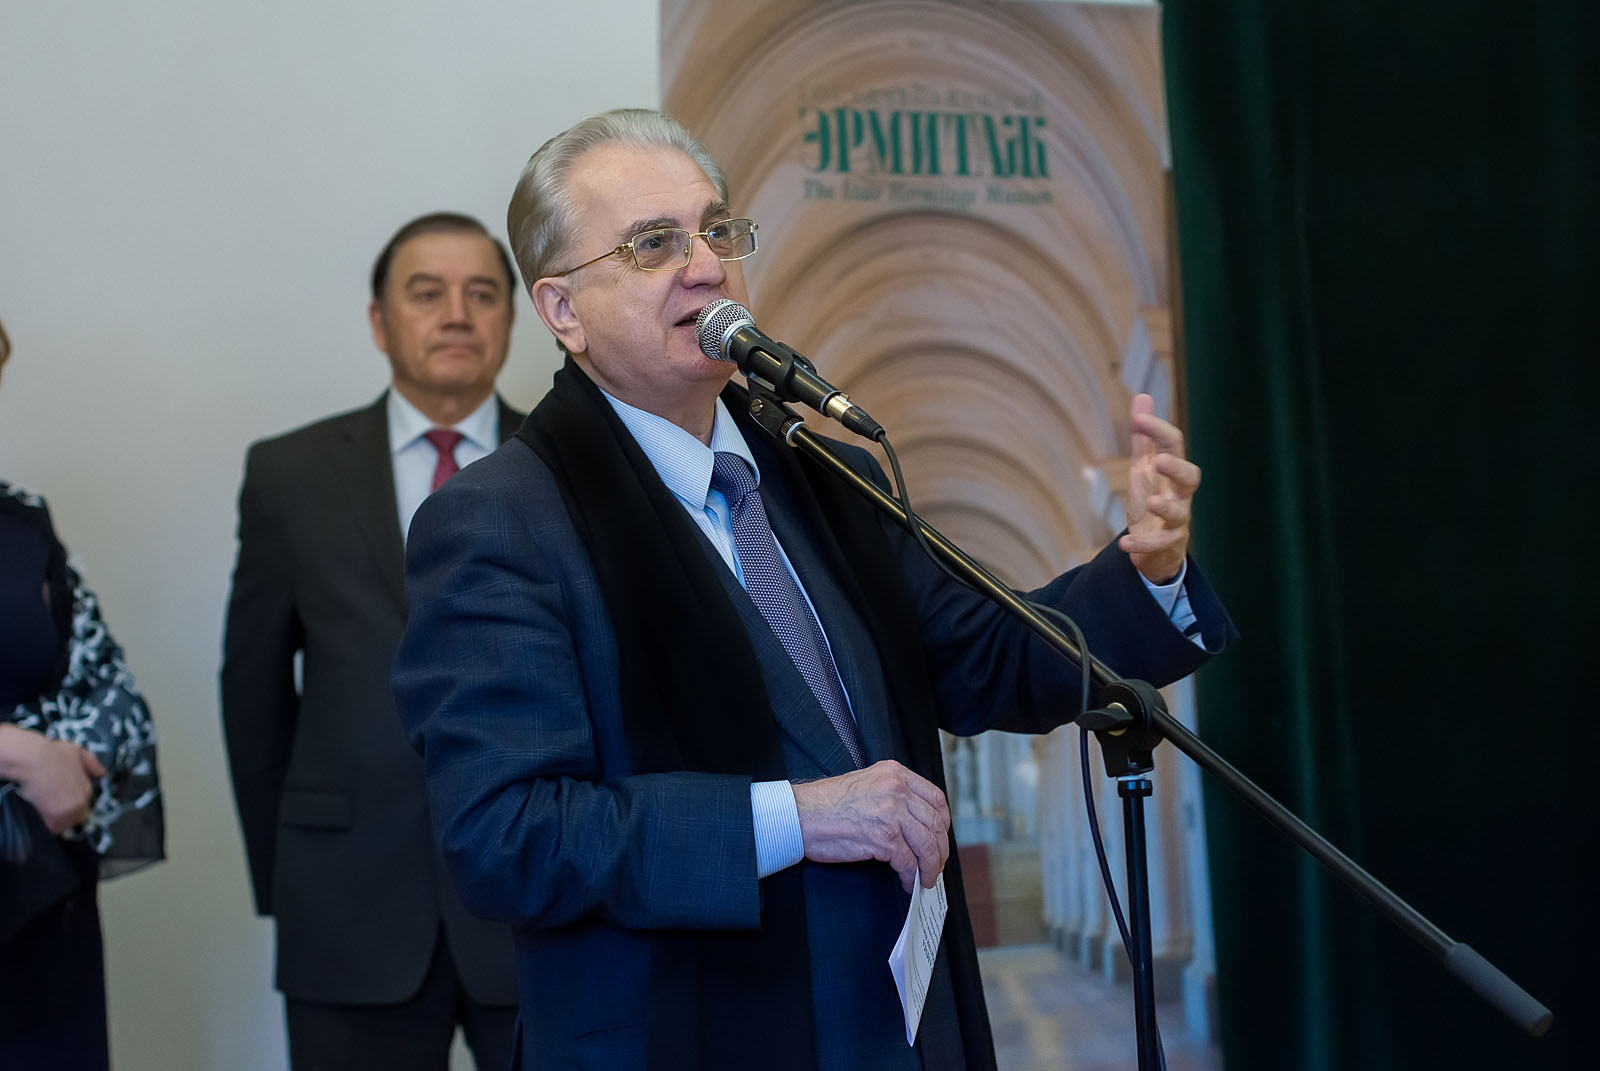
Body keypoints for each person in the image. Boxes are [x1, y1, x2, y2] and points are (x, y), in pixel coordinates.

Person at [392, 110, 1235, 1070]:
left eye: (716, 231)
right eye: (652, 244)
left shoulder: (826, 476)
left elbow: (988, 652)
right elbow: (508, 834)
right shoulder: (502, 520)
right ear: (562, 310)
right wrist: (798, 816)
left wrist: (1147, 571)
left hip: (902, 1026)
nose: (705, 267)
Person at [220, 213, 523, 1071]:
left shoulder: (571, 461)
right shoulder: (290, 475)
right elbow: (252, 692)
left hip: (537, 895)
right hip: (345, 902)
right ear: (380, 322)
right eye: (427, 294)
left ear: (513, 318)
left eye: (481, 294)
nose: (456, 314)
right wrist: (287, 878)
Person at [1, 315, 165, 1070]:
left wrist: (60, 761)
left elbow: (105, 689)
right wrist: (20, 752)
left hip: (36, 911)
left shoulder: (21, 522)